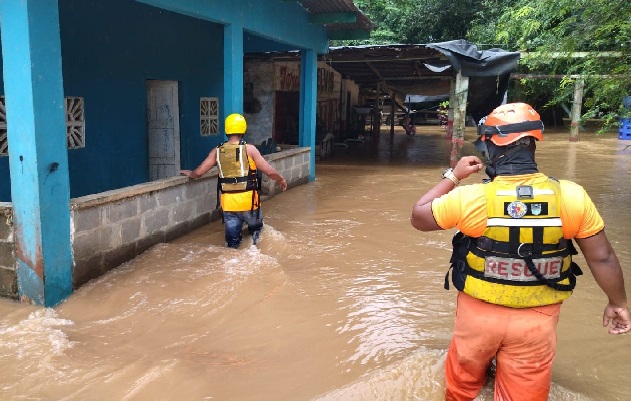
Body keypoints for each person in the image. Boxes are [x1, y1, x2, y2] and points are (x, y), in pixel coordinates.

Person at [410, 102, 630, 401]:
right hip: (537, 322)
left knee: (461, 389)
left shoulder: (472, 197)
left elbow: (419, 216)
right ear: (534, 142)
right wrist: (617, 303)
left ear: (490, 145)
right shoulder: (571, 195)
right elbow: (601, 256)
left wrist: (454, 175)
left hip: (478, 317)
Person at [180, 113, 287, 248]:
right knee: (257, 235)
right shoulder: (250, 149)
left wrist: (191, 173)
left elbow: (199, 172)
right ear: (243, 130)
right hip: (249, 203)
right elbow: (269, 171)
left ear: (226, 130)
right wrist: (281, 179)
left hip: (229, 205)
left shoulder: (217, 151)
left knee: (232, 244)